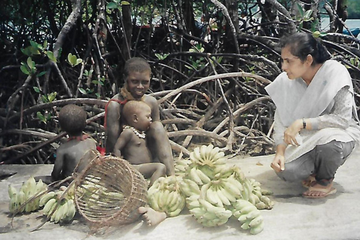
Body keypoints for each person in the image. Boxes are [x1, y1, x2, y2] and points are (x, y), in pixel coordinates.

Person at [265, 32, 360, 199]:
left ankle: (325, 180)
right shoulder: (286, 81)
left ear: (308, 60)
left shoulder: (335, 73)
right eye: (283, 60)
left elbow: (342, 119)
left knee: (329, 143)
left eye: (289, 61)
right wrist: (280, 152)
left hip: (337, 135)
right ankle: (314, 172)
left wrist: (302, 123)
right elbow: (280, 123)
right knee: (285, 172)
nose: (283, 67)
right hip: (305, 140)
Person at [105, 57, 174, 176]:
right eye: (134, 81)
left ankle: (171, 174)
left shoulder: (151, 102)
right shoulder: (116, 105)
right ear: (125, 79)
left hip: (151, 161)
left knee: (157, 126)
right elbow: (112, 144)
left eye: (145, 82)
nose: (140, 86)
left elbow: (158, 136)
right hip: (129, 163)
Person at [113, 100, 166, 186]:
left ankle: (150, 185)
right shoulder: (129, 132)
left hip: (143, 167)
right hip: (134, 167)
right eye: (148, 117)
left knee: (161, 167)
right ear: (135, 118)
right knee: (160, 167)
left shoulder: (142, 133)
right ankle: (151, 189)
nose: (151, 119)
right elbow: (117, 148)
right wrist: (121, 167)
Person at [51, 104, 98, 182]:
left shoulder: (63, 149)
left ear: (62, 128)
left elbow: (55, 175)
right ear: (85, 124)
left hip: (71, 184)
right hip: (90, 182)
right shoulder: (92, 143)